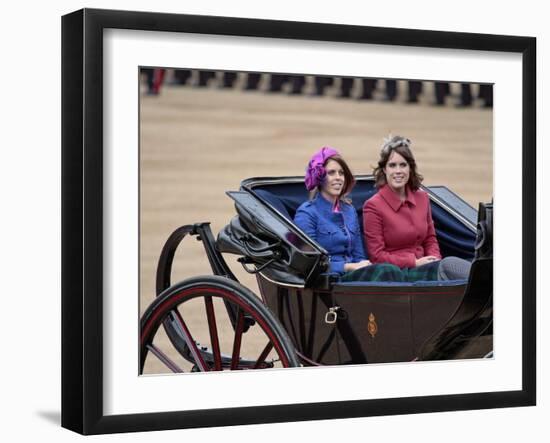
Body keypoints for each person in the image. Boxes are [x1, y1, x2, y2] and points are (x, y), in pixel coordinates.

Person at [363, 135, 471, 281]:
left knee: (454, 267)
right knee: (449, 265)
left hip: (427, 266)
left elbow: (430, 239)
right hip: (399, 273)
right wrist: (414, 262)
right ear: (384, 169)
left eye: (403, 165)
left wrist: (434, 259)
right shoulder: (373, 205)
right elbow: (376, 255)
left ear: (410, 168)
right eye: (392, 165)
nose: (398, 171)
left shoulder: (423, 198)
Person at [294, 147, 404, 282]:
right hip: (329, 280)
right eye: (331, 173)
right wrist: (349, 267)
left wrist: (363, 266)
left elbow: (359, 254)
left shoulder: (349, 210)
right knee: (387, 271)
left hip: (354, 277)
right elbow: (309, 264)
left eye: (341, 173)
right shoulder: (307, 213)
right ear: (320, 177)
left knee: (393, 270)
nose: (338, 178)